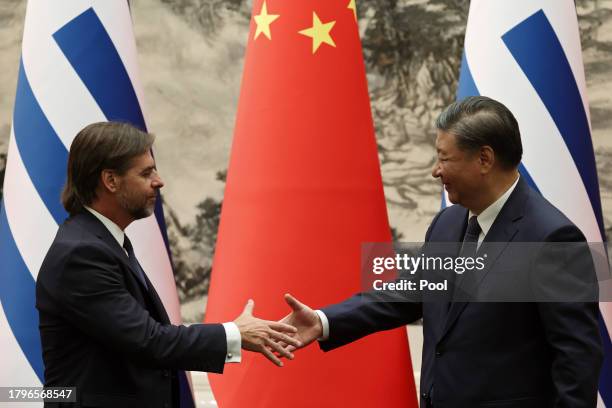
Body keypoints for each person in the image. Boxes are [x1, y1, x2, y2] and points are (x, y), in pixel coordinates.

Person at [281, 96, 603, 407]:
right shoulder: (447, 224)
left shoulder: (552, 239)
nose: (436, 171)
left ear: (484, 159)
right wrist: (323, 321)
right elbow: (407, 294)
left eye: (444, 159)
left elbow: (576, 358)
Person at [36, 122, 300, 408]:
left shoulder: (103, 242)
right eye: (146, 172)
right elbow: (148, 341)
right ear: (111, 181)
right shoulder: (82, 253)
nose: (159, 181)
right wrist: (234, 333)